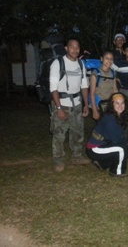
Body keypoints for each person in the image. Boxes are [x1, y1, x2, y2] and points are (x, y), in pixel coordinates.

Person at [49, 36, 90, 172]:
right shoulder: (58, 63)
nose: (75, 49)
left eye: (77, 47)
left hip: (77, 104)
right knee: (59, 134)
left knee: (78, 132)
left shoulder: (80, 64)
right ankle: (58, 160)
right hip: (62, 105)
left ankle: (76, 156)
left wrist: (85, 104)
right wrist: (59, 108)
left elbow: (84, 85)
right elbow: (53, 87)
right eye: (72, 46)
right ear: (66, 48)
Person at [86, 93, 128, 177]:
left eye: (122, 103)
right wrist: (126, 146)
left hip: (103, 144)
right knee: (121, 149)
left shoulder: (119, 115)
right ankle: (116, 171)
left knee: (124, 147)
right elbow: (116, 139)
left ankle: (102, 163)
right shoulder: (110, 118)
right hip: (94, 148)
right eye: (117, 103)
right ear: (112, 105)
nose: (120, 106)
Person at [89, 50, 117, 120]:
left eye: (111, 59)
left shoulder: (113, 73)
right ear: (102, 59)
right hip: (99, 105)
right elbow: (92, 93)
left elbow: (115, 89)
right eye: (107, 58)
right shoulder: (96, 74)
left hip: (110, 105)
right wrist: (94, 109)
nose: (109, 61)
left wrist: (117, 103)